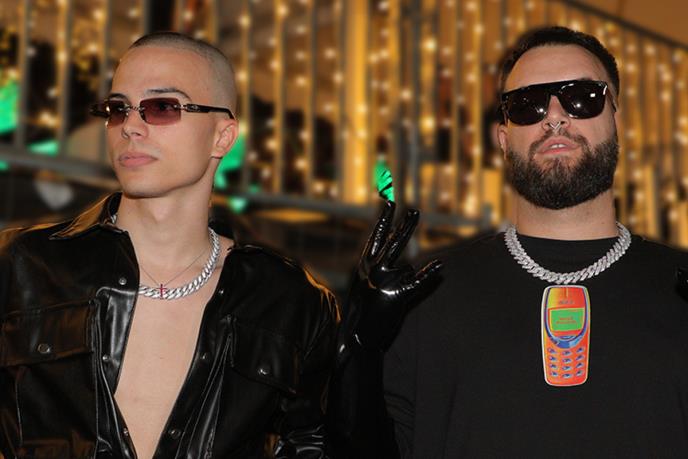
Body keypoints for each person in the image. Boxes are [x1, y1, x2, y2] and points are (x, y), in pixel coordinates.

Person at [338, 26, 688, 458]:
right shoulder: (425, 292)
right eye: (527, 105)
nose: (554, 116)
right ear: (504, 140)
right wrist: (359, 352)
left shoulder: (681, 287)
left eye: (582, 97)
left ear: (618, 123)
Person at [0, 32, 339, 458]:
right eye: (118, 108)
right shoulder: (22, 265)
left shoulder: (291, 301)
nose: (130, 126)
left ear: (222, 137)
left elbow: (316, 443)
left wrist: (365, 347)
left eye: (162, 107)